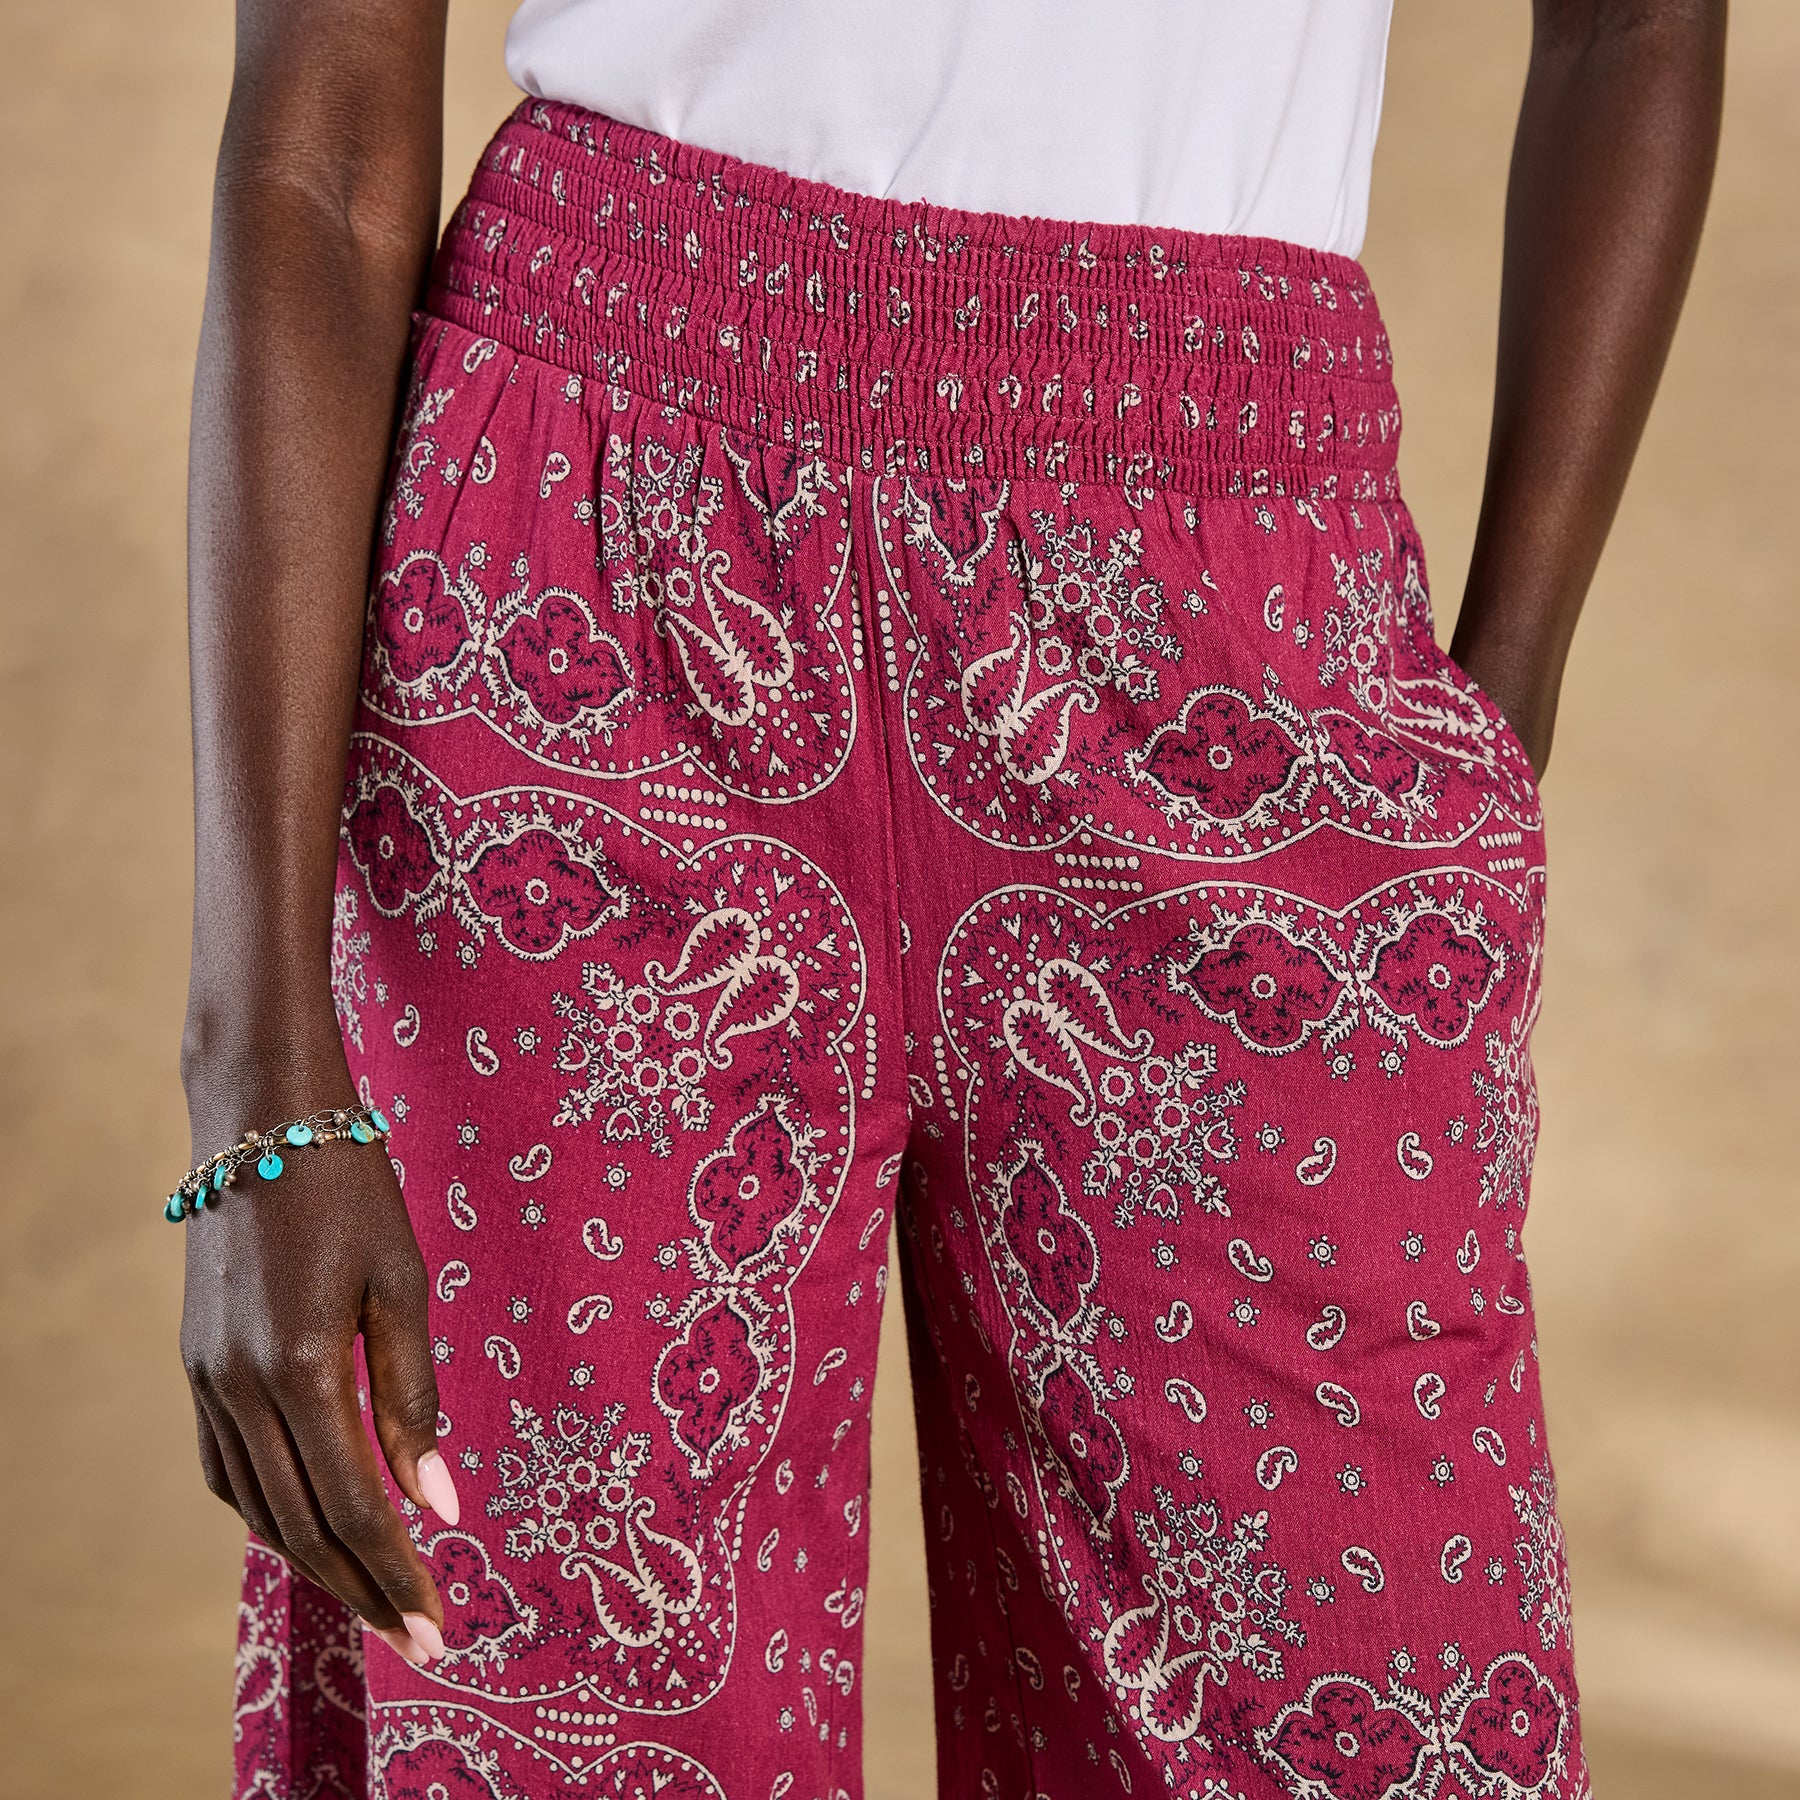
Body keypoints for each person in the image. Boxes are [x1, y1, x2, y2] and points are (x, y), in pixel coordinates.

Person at [173, 3, 1724, 1795]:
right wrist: (257, 1076)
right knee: (558, 1724)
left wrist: (1492, 716)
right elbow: (319, 159)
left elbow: (1634, 22)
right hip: (599, 562)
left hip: (1231, 595)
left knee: (1360, 1699)